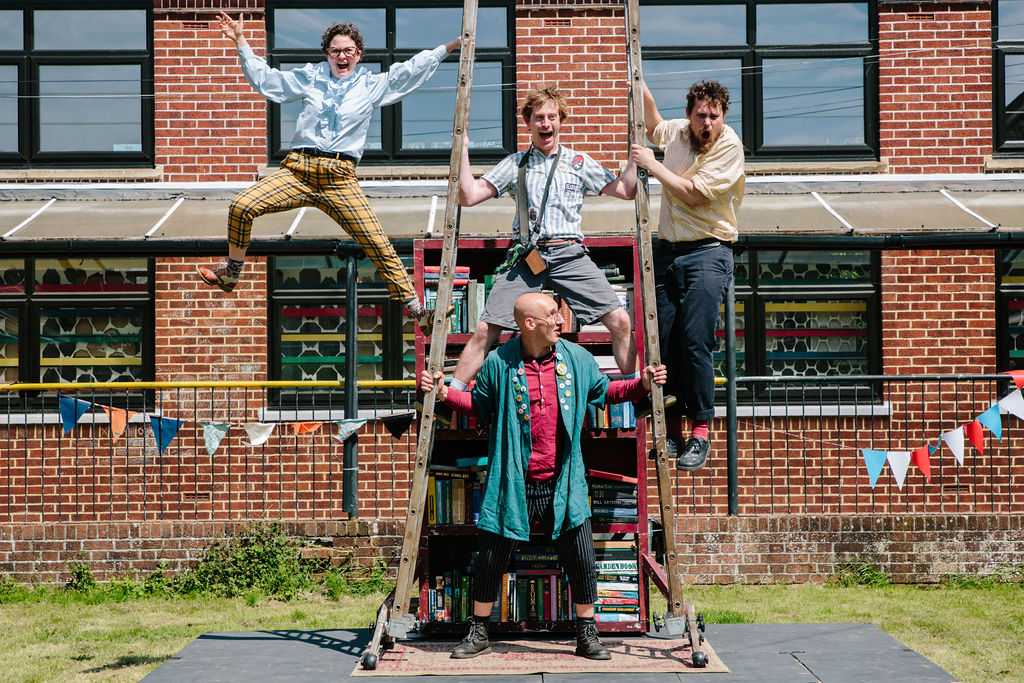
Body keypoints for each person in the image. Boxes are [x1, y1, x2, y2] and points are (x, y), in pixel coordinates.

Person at [419, 292, 666, 660]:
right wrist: (442, 391)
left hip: (563, 481)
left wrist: (643, 384)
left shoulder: (577, 359)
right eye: (552, 314)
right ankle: (479, 632)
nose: (561, 321)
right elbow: (476, 404)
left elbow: (607, 392)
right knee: (490, 560)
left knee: (582, 559)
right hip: (512, 482)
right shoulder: (499, 362)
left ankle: (587, 634)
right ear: (529, 323)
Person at [199, 12, 460, 332]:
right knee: (242, 205)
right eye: (336, 51)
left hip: (340, 177)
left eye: (348, 51)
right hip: (299, 170)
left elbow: (408, 71)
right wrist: (241, 42)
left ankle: (419, 312)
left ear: (359, 55)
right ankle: (232, 273)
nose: (342, 56)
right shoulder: (311, 77)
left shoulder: (370, 84)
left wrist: (451, 45)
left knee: (377, 242)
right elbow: (269, 81)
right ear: (327, 54)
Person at [450, 85, 640, 397]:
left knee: (620, 320)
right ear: (528, 122)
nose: (545, 123)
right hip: (527, 257)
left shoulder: (579, 161)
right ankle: (452, 395)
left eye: (552, 116)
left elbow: (626, 191)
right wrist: (463, 149)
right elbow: (468, 196)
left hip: (569, 253)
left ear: (561, 121)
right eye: (538, 117)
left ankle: (635, 392)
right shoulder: (515, 163)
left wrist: (634, 153)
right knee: (486, 328)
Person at [629, 79, 745, 472]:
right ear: (690, 113)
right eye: (700, 115)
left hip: (708, 251)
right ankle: (674, 432)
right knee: (664, 341)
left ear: (723, 116)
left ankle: (700, 431)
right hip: (668, 252)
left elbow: (693, 193)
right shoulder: (677, 133)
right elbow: (652, 122)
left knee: (695, 340)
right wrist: (640, 82)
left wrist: (653, 165)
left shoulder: (729, 145)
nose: (706, 123)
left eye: (714, 116)